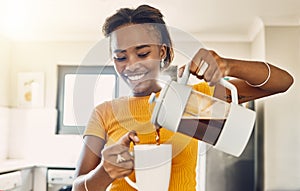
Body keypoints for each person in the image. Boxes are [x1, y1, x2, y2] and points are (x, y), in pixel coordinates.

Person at [72, 4, 293, 191]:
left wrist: (229, 66)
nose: (132, 65)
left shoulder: (192, 100)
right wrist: (104, 172)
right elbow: (77, 187)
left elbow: (283, 82)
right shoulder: (104, 113)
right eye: (120, 57)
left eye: (142, 53)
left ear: (162, 51)